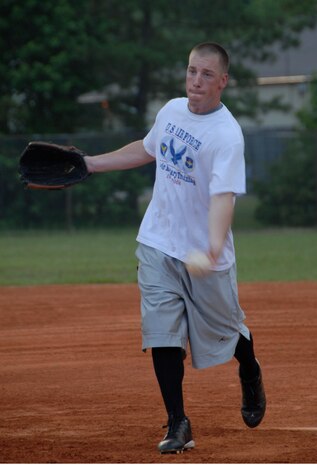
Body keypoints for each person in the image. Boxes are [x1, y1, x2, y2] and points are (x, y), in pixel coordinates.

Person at [84, 42, 266, 454]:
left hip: (205, 254)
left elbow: (224, 198)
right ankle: (178, 422)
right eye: (190, 71)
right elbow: (146, 149)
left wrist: (214, 247)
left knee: (227, 327)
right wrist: (91, 163)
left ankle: (250, 370)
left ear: (223, 82)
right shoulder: (170, 111)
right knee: (162, 333)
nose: (195, 81)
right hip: (158, 242)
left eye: (206, 74)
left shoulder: (226, 135)